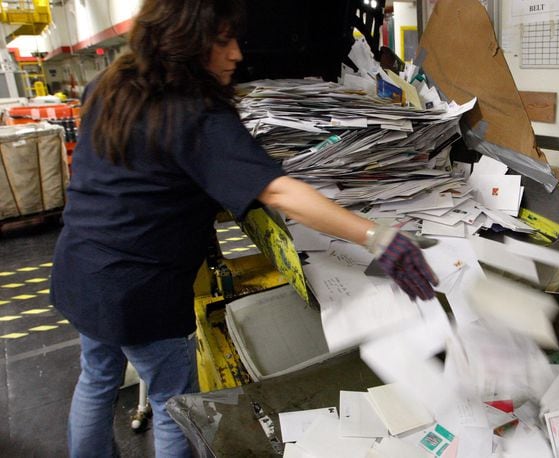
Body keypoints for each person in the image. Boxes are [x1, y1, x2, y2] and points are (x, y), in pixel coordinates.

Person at [50, 1, 438, 456]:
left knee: (96, 380)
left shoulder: (111, 83)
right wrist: (377, 236)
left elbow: (138, 167)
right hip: (140, 292)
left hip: (78, 267)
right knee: (176, 403)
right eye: (222, 41)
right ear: (185, 38)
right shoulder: (194, 113)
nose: (236, 53)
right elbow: (279, 193)